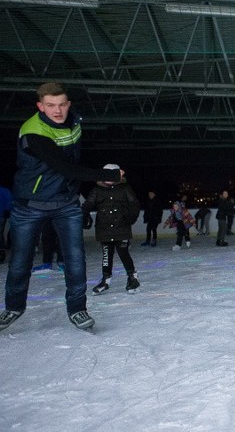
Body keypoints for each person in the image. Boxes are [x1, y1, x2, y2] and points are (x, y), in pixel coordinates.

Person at [1, 82, 122, 332]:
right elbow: (65, 167)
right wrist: (109, 175)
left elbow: (72, 162)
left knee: (75, 259)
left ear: (68, 104)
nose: (57, 111)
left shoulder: (74, 123)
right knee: (20, 261)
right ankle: (13, 307)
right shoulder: (33, 132)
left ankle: (77, 309)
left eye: (61, 105)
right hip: (30, 204)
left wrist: (85, 181)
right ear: (40, 106)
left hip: (65, 202)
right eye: (50, 105)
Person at [82, 164, 141, 294]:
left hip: (122, 226)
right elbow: (88, 204)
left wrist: (130, 219)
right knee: (106, 254)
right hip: (104, 228)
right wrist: (83, 215)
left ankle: (133, 278)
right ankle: (105, 280)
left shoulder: (124, 188)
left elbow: (134, 204)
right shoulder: (97, 190)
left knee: (123, 252)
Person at [0, 184, 11, 264]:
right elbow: (9, 201)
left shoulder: (3, 190)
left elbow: (9, 201)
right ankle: (1, 252)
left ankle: (1, 252)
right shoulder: (4, 190)